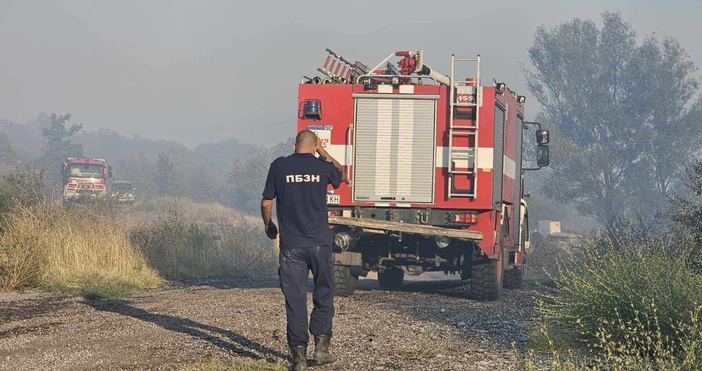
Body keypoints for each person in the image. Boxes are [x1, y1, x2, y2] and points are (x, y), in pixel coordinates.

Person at [261, 129, 345, 371]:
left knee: (295, 301)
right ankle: (321, 350)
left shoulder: (278, 167)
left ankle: (298, 360)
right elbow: (342, 173)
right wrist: (322, 151)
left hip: (291, 248)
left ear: (293, 145)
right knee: (324, 293)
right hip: (320, 244)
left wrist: (269, 225)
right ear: (314, 145)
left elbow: (267, 201)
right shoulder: (322, 166)